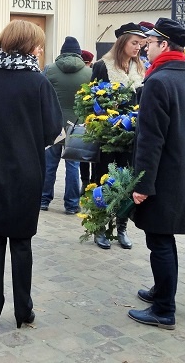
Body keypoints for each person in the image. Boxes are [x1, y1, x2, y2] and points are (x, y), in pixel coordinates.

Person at [0, 20, 62, 329]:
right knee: (21, 243)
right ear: (26, 46)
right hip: (27, 173)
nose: (41, 49)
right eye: (38, 44)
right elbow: (53, 131)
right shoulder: (38, 83)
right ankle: (24, 311)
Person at [128, 17, 185, 330]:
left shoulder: (159, 82)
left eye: (150, 43)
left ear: (164, 46)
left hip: (160, 175)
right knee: (162, 239)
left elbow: (151, 139)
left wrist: (143, 183)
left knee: (159, 242)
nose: (145, 47)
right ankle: (161, 291)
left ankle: (164, 309)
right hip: (180, 171)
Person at [89, 22, 146, 249]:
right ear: (122, 42)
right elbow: (91, 99)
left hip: (131, 136)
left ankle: (121, 227)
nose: (138, 48)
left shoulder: (139, 68)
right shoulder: (103, 66)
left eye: (141, 44)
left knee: (126, 181)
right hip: (108, 137)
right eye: (134, 43)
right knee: (102, 179)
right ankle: (99, 226)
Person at [41, 36, 92, 214]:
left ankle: (43, 199)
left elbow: (41, 93)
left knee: (49, 164)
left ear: (61, 53)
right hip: (77, 126)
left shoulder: (49, 69)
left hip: (54, 124)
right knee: (73, 166)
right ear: (78, 54)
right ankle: (71, 204)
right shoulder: (88, 73)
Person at [79, 50, 95, 193]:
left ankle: (84, 181)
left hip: (75, 118)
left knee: (81, 154)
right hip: (88, 118)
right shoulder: (90, 74)